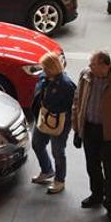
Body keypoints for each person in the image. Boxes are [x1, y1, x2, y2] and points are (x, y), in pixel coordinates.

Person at [71, 51, 111, 222]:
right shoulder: (86, 75)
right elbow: (77, 101)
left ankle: (110, 204)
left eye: (93, 64)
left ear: (105, 65)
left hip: (109, 133)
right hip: (90, 129)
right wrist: (77, 129)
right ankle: (97, 195)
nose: (89, 67)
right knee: (92, 166)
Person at [30, 51, 76, 194]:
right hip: (44, 116)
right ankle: (47, 170)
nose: (42, 70)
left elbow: (73, 107)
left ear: (51, 68)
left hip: (60, 121)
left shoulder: (66, 85)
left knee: (58, 151)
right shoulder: (44, 78)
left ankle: (60, 180)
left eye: (44, 67)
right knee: (37, 144)